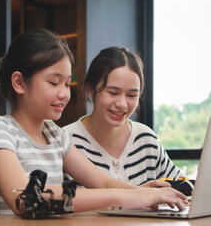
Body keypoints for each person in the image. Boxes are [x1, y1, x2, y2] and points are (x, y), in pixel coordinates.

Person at [0, 29, 187, 215]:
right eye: (54, 82)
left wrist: (147, 193)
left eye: (67, 84)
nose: (64, 94)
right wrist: (124, 197)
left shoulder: (55, 135)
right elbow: (25, 198)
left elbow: (102, 182)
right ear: (19, 83)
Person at [63, 47, 183, 186]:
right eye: (113, 93)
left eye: (131, 95)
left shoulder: (145, 139)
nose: (122, 104)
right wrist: (140, 195)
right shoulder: (66, 141)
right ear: (90, 89)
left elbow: (182, 187)